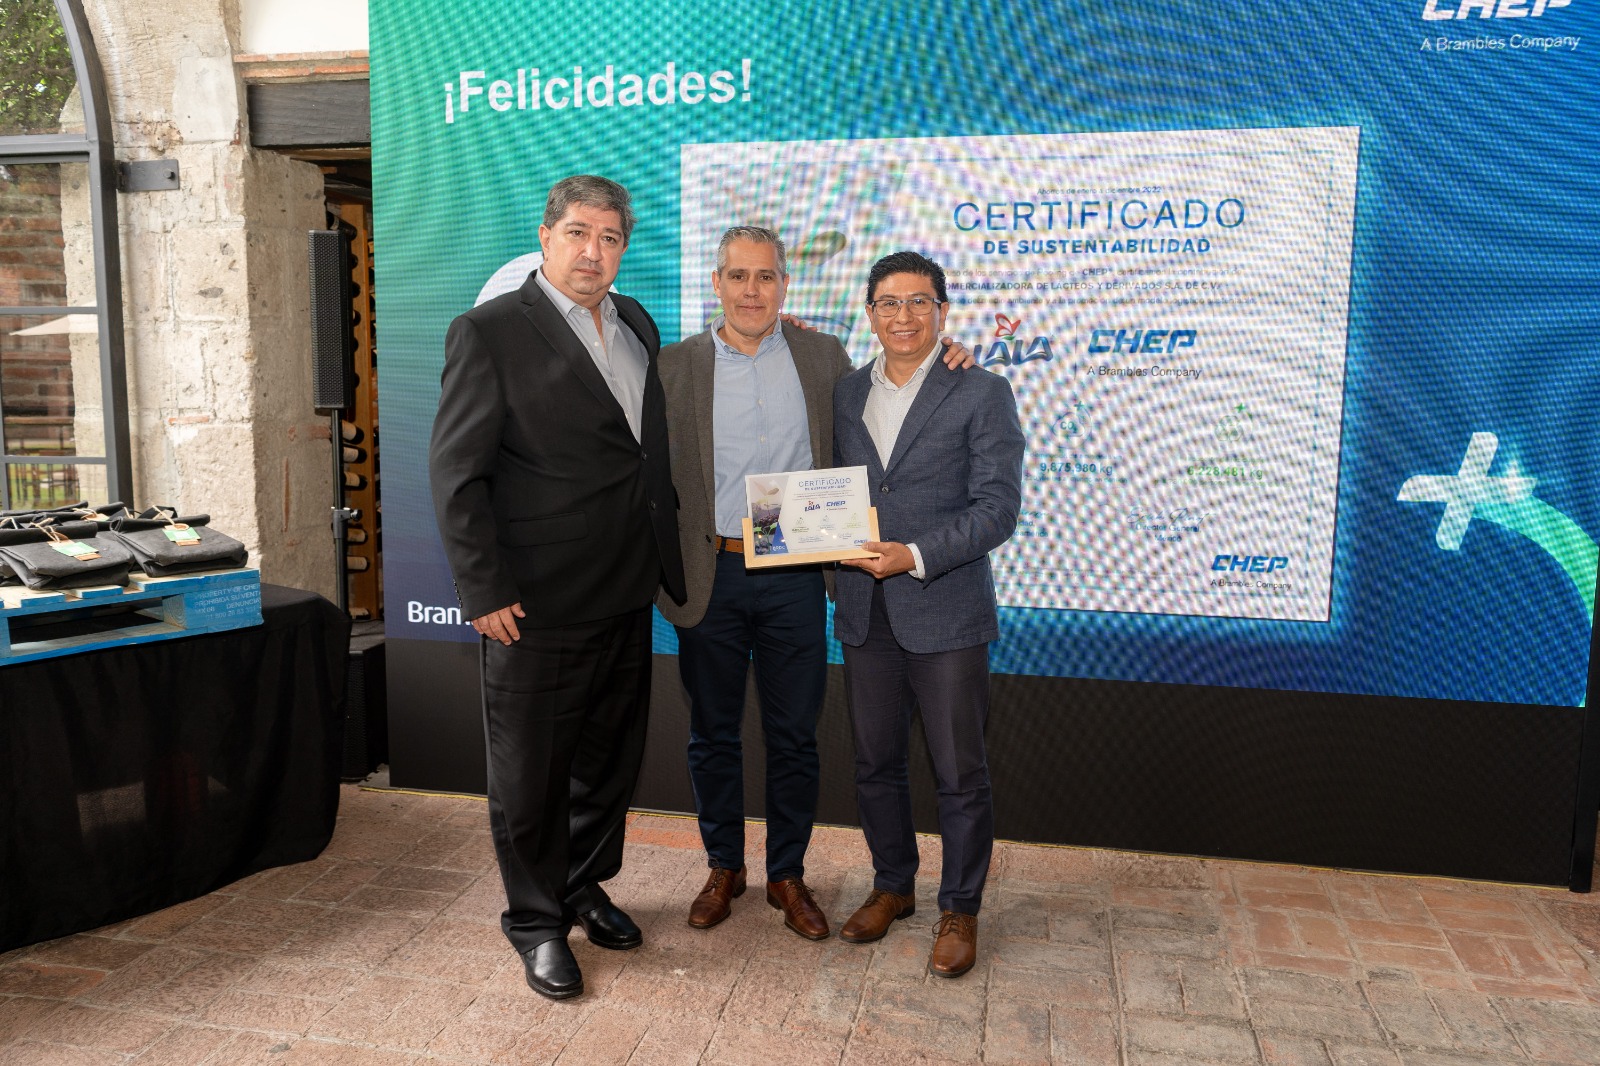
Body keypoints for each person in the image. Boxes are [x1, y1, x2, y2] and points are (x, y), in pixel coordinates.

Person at [658, 227, 971, 940]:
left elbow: (898, 385)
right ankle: (723, 866)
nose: (752, 291)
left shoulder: (821, 356)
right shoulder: (674, 365)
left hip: (795, 575)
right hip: (711, 573)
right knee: (712, 734)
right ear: (717, 283)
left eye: (766, 277)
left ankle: (787, 874)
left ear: (784, 285)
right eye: (739, 276)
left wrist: (952, 356)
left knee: (794, 735)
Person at [428, 175, 685, 1001]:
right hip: (533, 603)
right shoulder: (489, 331)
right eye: (578, 232)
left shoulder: (635, 322)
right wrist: (482, 588)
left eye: (610, 237)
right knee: (530, 774)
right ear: (545, 237)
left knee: (607, 763)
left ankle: (581, 886)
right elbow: (457, 474)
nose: (593, 251)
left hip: (626, 586)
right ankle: (536, 922)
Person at [830, 250, 1024, 978]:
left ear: (942, 311)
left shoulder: (983, 391)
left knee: (959, 771)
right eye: (889, 302)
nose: (903, 315)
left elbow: (998, 509)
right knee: (875, 763)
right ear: (870, 313)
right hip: (864, 611)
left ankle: (960, 907)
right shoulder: (847, 391)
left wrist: (913, 554)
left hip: (945, 609)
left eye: (919, 302)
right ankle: (893, 886)